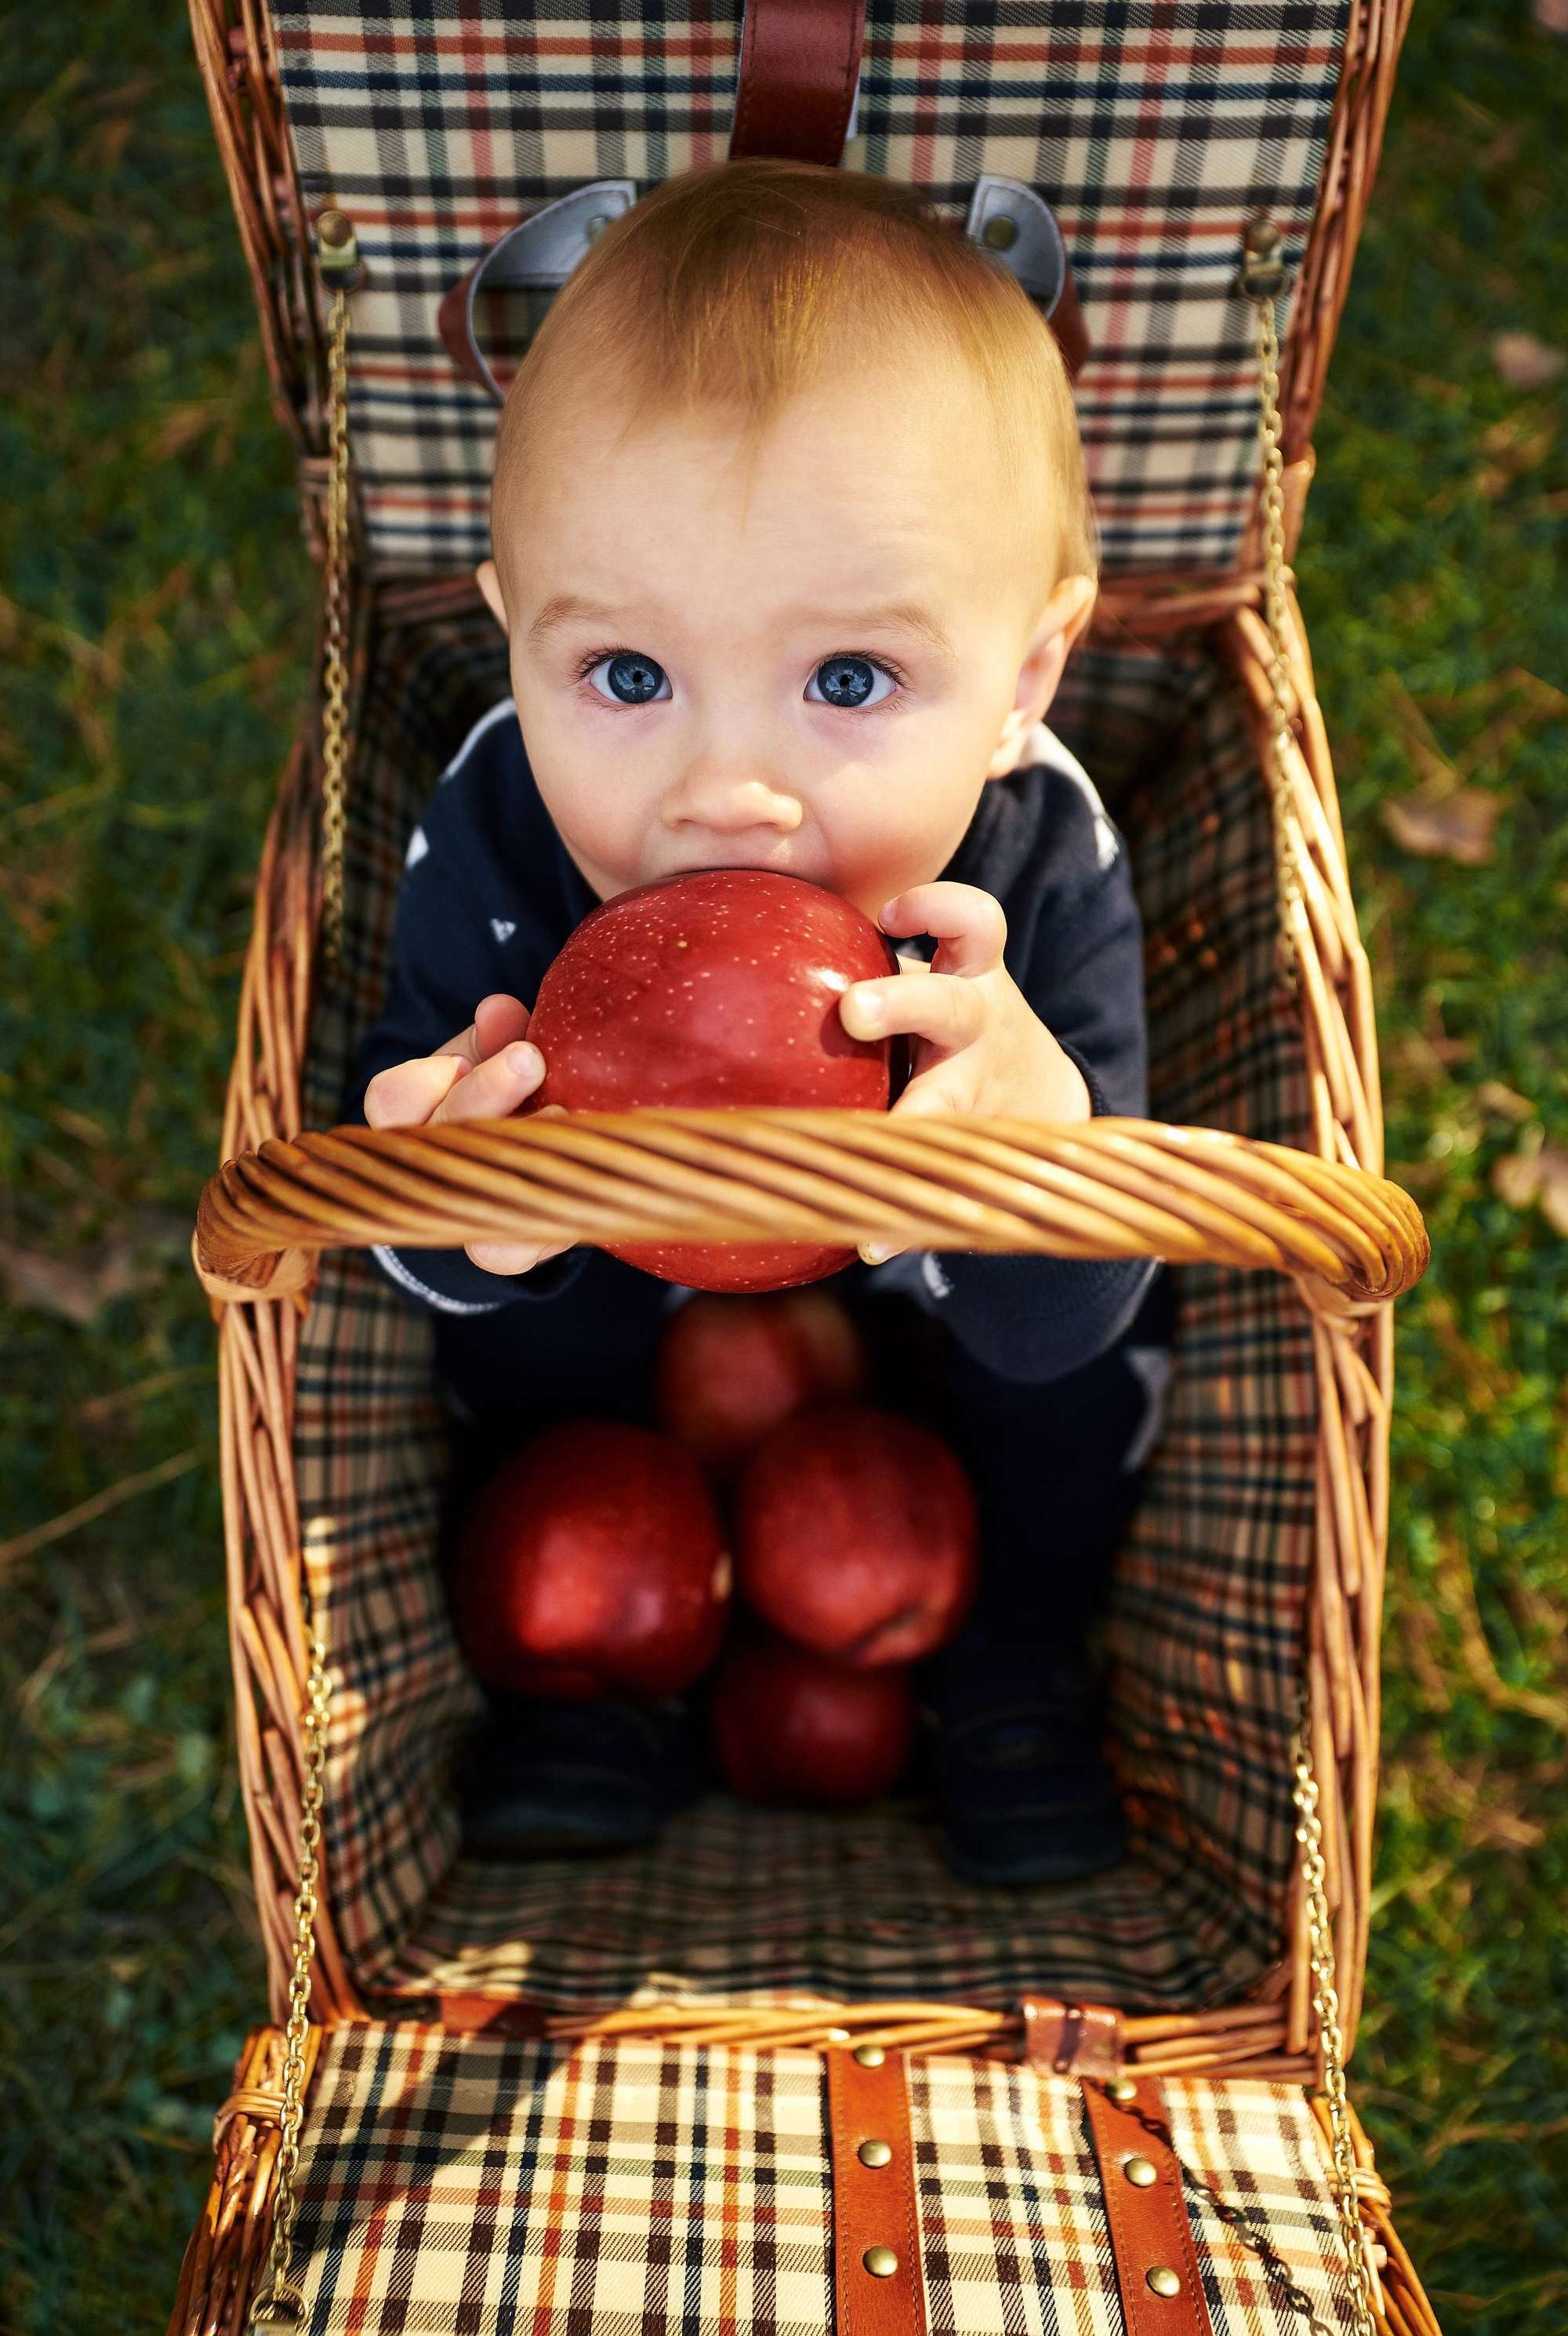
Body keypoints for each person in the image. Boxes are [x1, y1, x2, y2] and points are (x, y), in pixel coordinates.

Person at [350, 160, 1171, 1886]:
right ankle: (606, 1677)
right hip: (626, 1316)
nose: (726, 793)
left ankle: (1009, 1661)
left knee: (1067, 1410)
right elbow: (420, 1213)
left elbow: (1067, 1317)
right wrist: (461, 1214)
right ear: (516, 648)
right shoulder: (502, 827)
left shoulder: (1032, 860)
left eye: (850, 682)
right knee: (517, 1363)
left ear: (1023, 684)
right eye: (627, 679)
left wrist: (1035, 1159)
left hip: (937, 1329)